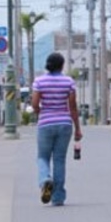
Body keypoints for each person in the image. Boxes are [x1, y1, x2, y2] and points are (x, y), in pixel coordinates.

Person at [31, 52, 83, 206]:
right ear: (62, 65)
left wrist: (42, 113)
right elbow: (73, 107)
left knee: (42, 157)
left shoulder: (39, 81)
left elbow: (34, 104)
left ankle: (45, 179)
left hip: (45, 123)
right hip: (65, 124)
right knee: (59, 159)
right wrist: (77, 128)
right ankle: (58, 197)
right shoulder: (69, 82)